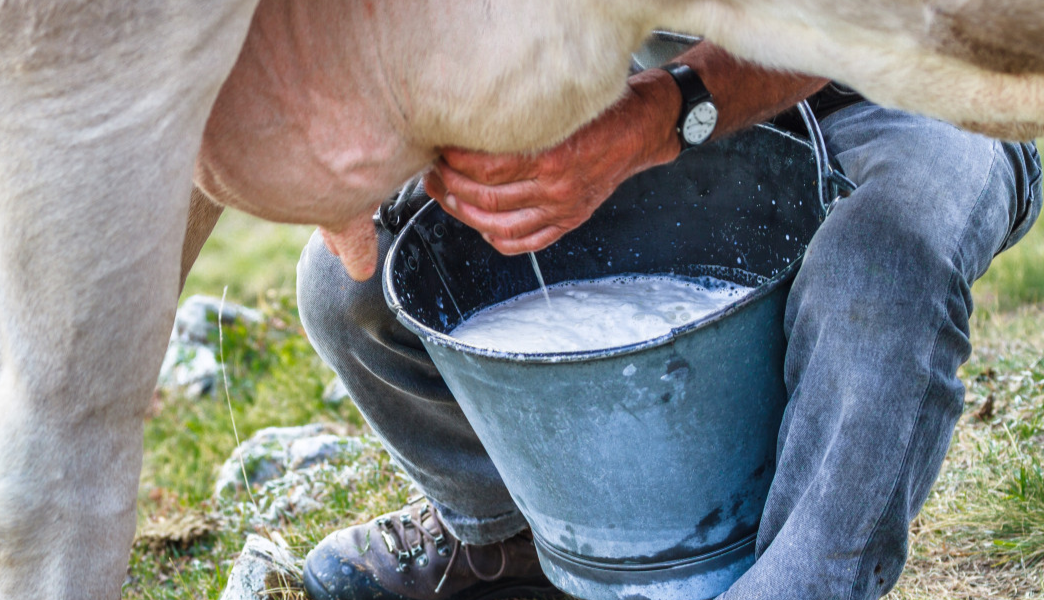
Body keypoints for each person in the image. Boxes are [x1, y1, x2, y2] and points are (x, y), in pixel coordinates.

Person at [294, 39, 1041, 600]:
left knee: (879, 269)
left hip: (919, 86)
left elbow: (849, 25)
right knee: (350, 284)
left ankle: (794, 582)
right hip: (652, 79)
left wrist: (655, 119)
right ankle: (514, 531)